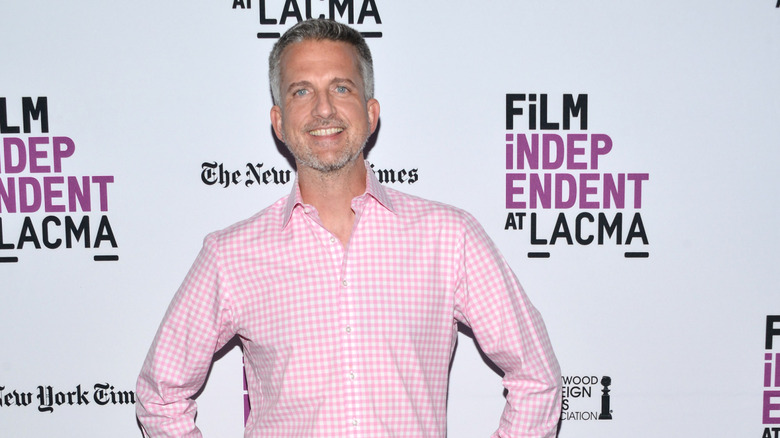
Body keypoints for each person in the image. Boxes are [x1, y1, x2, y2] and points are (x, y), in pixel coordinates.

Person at [136, 18, 561, 437]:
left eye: (341, 88)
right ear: (279, 121)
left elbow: (537, 378)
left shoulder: (448, 238)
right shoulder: (231, 255)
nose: (324, 108)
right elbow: (160, 396)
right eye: (302, 91)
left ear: (371, 113)